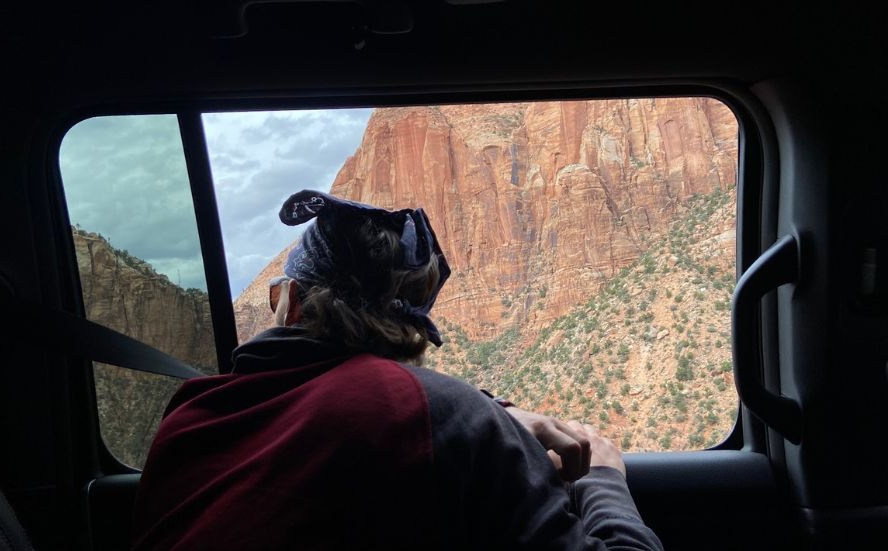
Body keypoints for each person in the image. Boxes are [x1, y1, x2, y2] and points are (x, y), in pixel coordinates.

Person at [131, 190, 663, 550]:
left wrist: (487, 414)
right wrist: (602, 480)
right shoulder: (436, 417)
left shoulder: (189, 414)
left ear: (290, 301)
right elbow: (399, 410)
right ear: (413, 324)